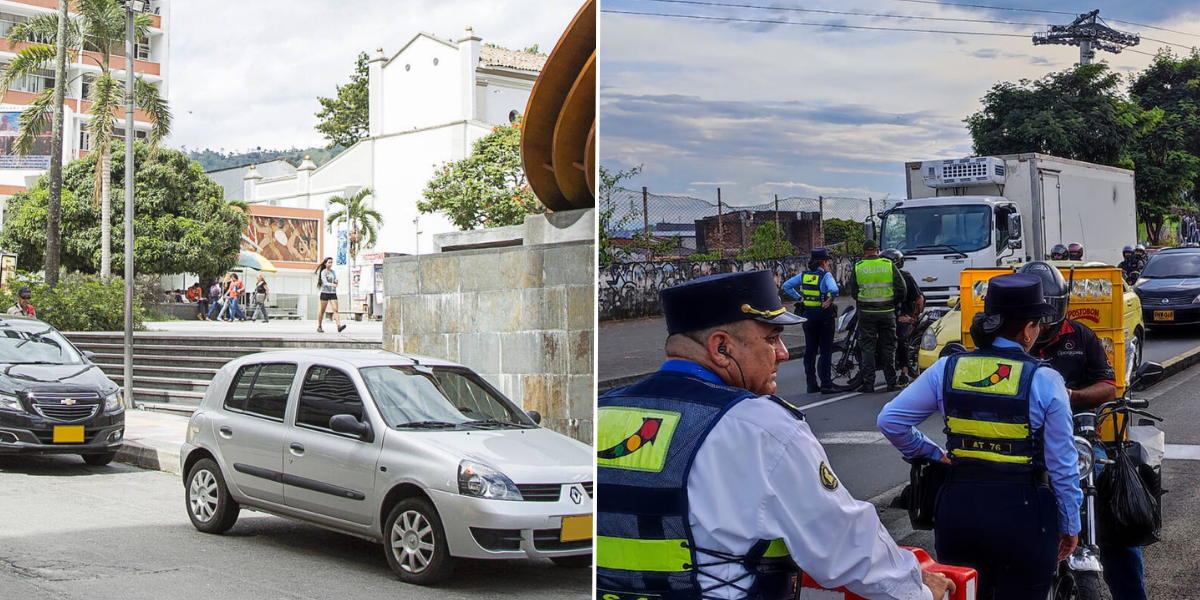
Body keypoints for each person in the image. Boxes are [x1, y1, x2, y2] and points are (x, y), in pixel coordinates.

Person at [596, 270, 955, 600]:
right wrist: (917, 588)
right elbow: (843, 542)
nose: (783, 353)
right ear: (722, 348)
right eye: (771, 339)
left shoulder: (603, 411)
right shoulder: (759, 426)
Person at [877, 273, 1082, 599]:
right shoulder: (1045, 379)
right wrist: (1070, 524)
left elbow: (890, 421)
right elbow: (1063, 465)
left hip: (960, 509)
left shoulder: (948, 368)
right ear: (1028, 329)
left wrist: (932, 452)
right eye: (1038, 324)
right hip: (1025, 513)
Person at [1019, 261, 1144, 600]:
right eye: (1036, 312)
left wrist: (1070, 396)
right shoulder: (1013, 343)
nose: (1042, 320)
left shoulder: (1081, 336)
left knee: (1116, 520)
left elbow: (1109, 386)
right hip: (1024, 441)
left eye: (1048, 310)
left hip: (1079, 441)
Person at [847, 239, 906, 393]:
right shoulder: (888, 265)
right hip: (887, 313)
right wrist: (893, 303)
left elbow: (853, 292)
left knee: (868, 348)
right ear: (877, 250)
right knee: (888, 347)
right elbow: (902, 288)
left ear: (864, 251)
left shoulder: (858, 267)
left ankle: (868, 383)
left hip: (866, 314)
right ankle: (891, 382)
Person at [782, 247, 839, 394]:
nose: (828, 264)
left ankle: (811, 384)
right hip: (824, 315)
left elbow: (786, 286)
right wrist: (830, 299)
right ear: (823, 262)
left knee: (810, 350)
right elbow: (835, 289)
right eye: (827, 262)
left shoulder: (804, 276)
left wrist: (800, 298)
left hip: (808, 315)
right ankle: (826, 384)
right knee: (826, 351)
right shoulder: (826, 276)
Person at [883, 248, 924, 385]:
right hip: (886, 315)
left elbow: (919, 299)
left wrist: (912, 318)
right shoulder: (882, 278)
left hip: (903, 316)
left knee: (900, 338)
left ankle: (904, 372)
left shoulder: (905, 277)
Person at [316, 257, 346, 333]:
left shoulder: (333, 272)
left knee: (335, 309)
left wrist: (336, 282)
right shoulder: (324, 272)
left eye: (331, 262)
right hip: (325, 293)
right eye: (329, 262)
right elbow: (325, 282)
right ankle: (319, 326)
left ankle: (338, 326)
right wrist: (332, 285)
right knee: (322, 310)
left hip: (332, 293)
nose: (330, 264)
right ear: (325, 263)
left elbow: (335, 280)